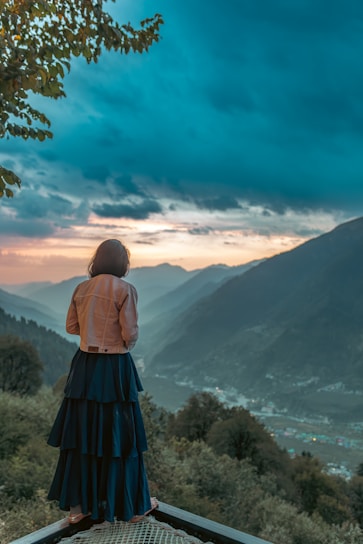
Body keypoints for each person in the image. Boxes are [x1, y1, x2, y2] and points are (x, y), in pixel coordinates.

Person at [47, 239, 157, 524]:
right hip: (114, 367)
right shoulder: (125, 290)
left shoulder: (81, 288)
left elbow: (71, 326)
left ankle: (80, 506)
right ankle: (132, 508)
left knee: (83, 435)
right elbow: (129, 333)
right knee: (120, 436)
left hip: (84, 367)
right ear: (123, 263)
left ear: (96, 260)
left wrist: (92, 332)